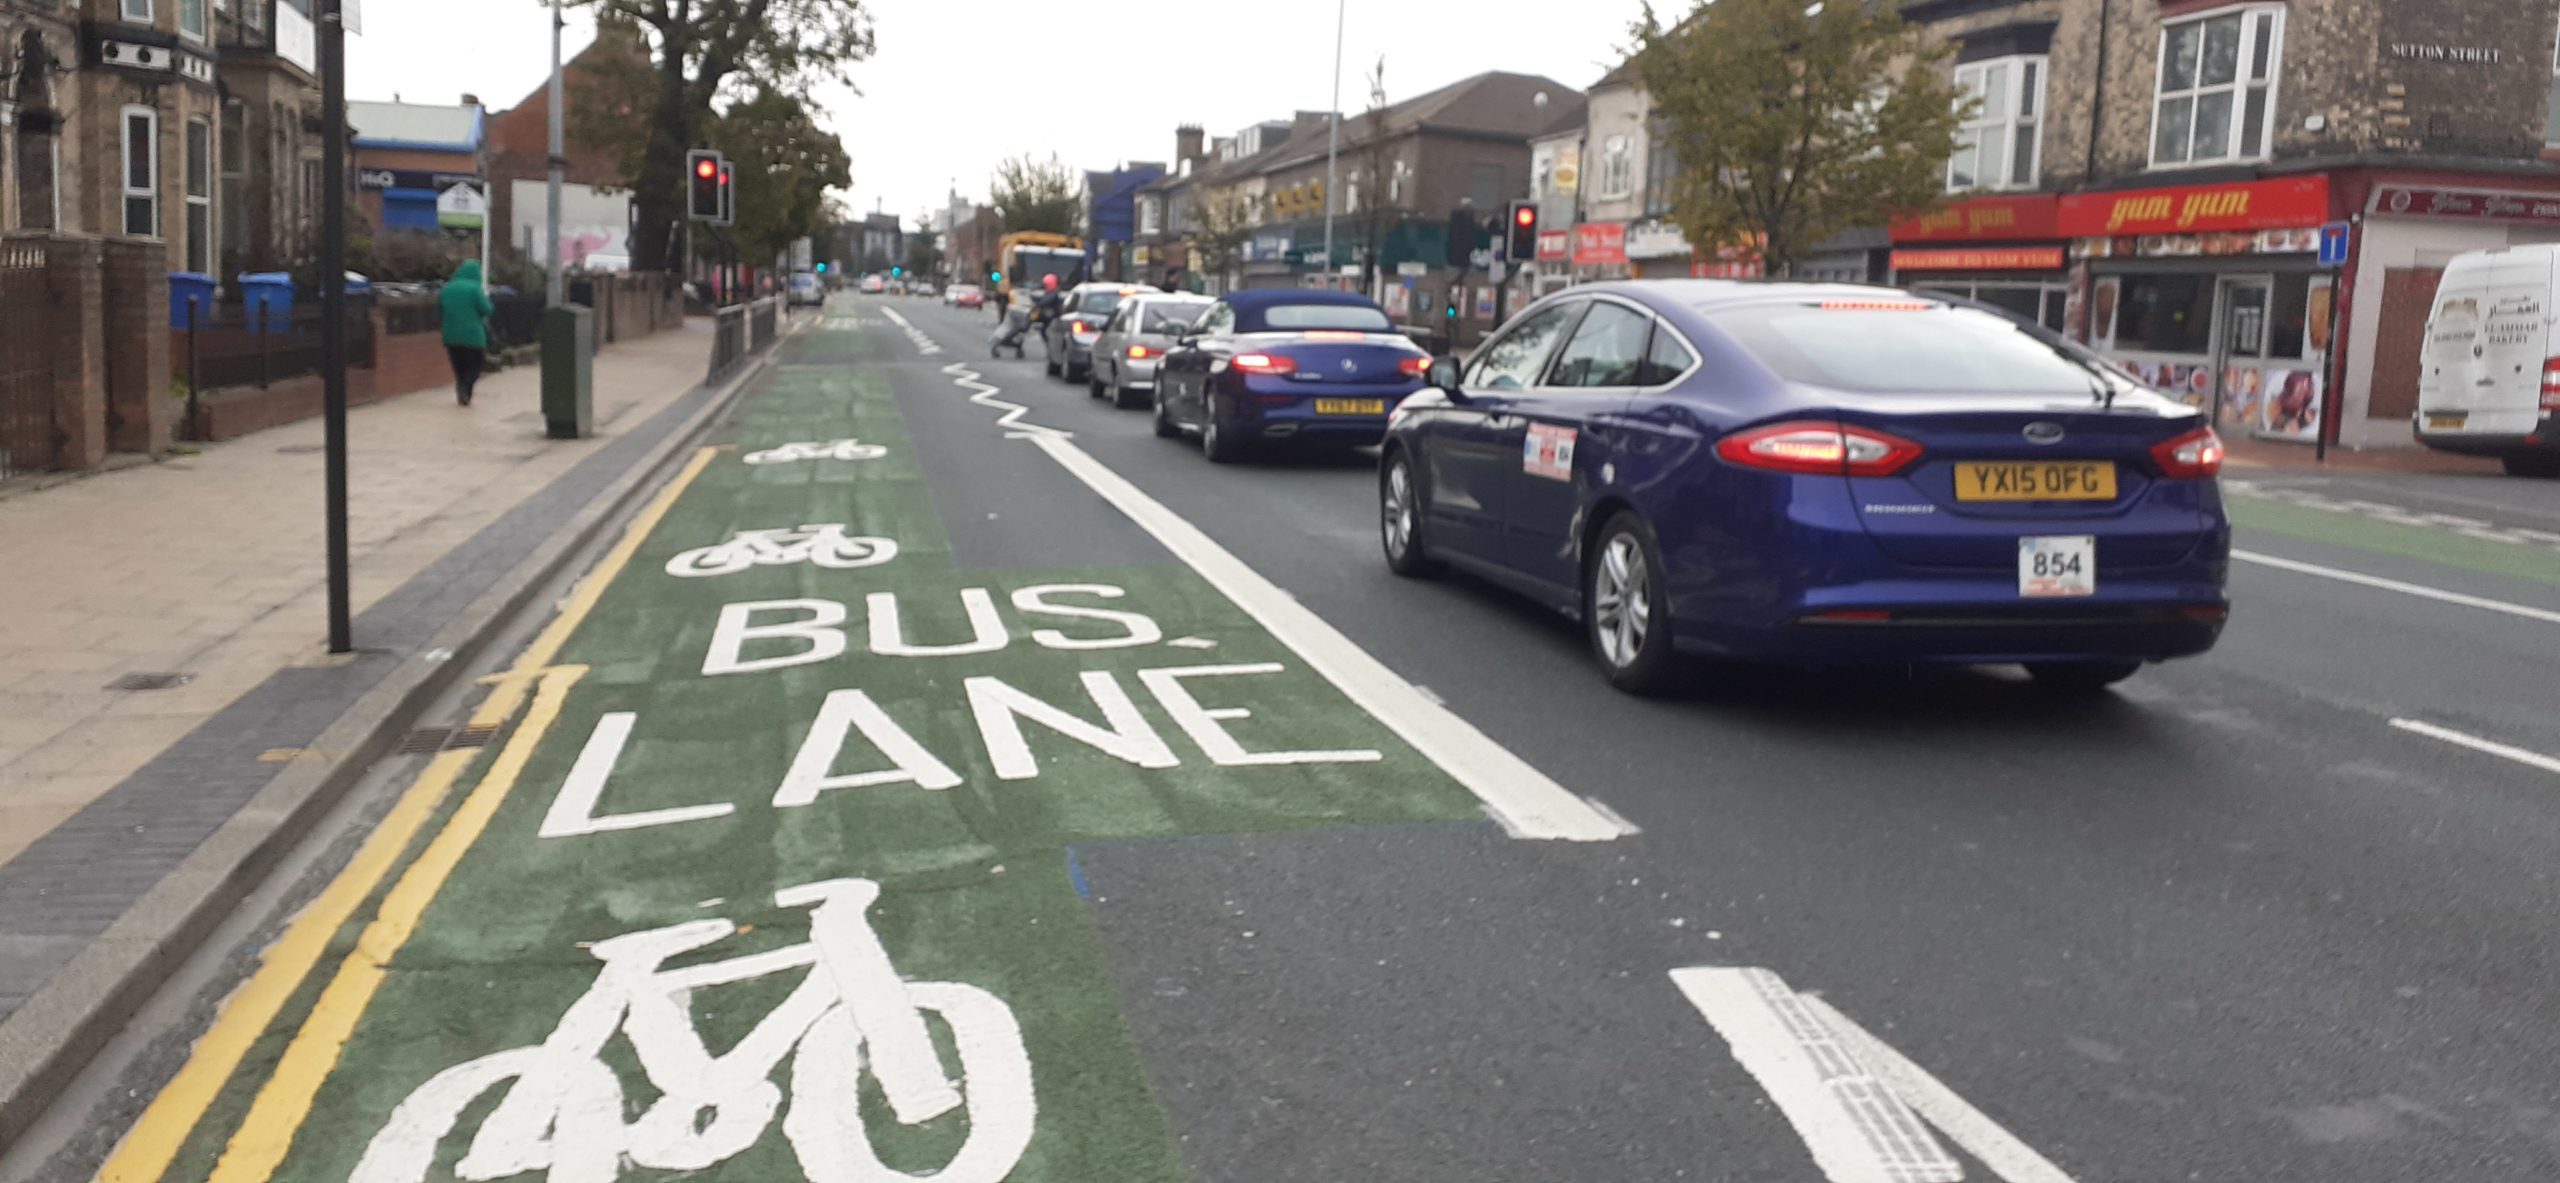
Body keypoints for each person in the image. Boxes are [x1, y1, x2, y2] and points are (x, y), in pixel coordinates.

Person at [438, 259, 496, 407]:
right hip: (473, 336)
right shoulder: (474, 288)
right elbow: (487, 310)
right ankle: (465, 388)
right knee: (476, 365)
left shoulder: (447, 288)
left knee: (459, 367)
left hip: (450, 335)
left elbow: (440, 310)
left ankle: (463, 392)